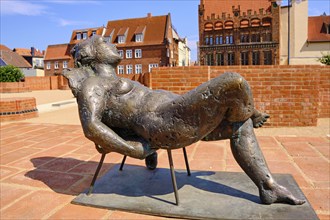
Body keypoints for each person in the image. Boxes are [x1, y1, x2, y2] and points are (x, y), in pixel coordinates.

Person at [63, 36, 305, 205]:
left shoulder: (115, 81)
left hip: (174, 119)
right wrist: (134, 150)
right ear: (90, 55)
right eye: (104, 43)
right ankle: (249, 111)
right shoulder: (94, 85)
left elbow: (121, 117)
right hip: (167, 124)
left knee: (239, 126)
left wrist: (143, 146)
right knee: (234, 82)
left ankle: (267, 186)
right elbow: (92, 126)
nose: (112, 44)